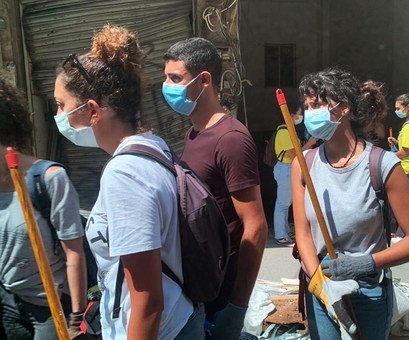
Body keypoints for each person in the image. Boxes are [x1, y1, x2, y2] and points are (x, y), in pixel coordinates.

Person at [54, 25, 202, 339]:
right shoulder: (153, 146)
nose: (58, 115)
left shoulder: (125, 175)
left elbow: (147, 301)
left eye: (61, 105)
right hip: (180, 317)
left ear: (92, 110)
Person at [292, 68, 409, 339]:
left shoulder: (383, 165)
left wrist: (365, 264)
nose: (309, 113)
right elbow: (303, 232)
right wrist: (319, 284)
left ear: (343, 108)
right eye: (307, 106)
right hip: (323, 286)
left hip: (370, 290)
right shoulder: (303, 163)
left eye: (317, 104)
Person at [162, 37, 268, 339]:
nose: (167, 87)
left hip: (222, 292)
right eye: (166, 78)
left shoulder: (231, 139)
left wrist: (237, 307)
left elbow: (255, 226)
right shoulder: (195, 133)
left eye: (175, 78)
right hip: (199, 282)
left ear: (204, 80)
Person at [0, 79, 87, 339]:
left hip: (51, 308)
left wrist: (76, 319)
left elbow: (74, 254)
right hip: (8, 302)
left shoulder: (48, 178)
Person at [273, 106, 315, 246]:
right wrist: (310, 144)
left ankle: (284, 231)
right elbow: (294, 156)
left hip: (287, 168)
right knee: (283, 204)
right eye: (298, 114)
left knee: (286, 203)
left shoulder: (289, 130)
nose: (300, 117)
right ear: (289, 114)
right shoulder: (284, 132)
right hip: (286, 168)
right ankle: (281, 235)